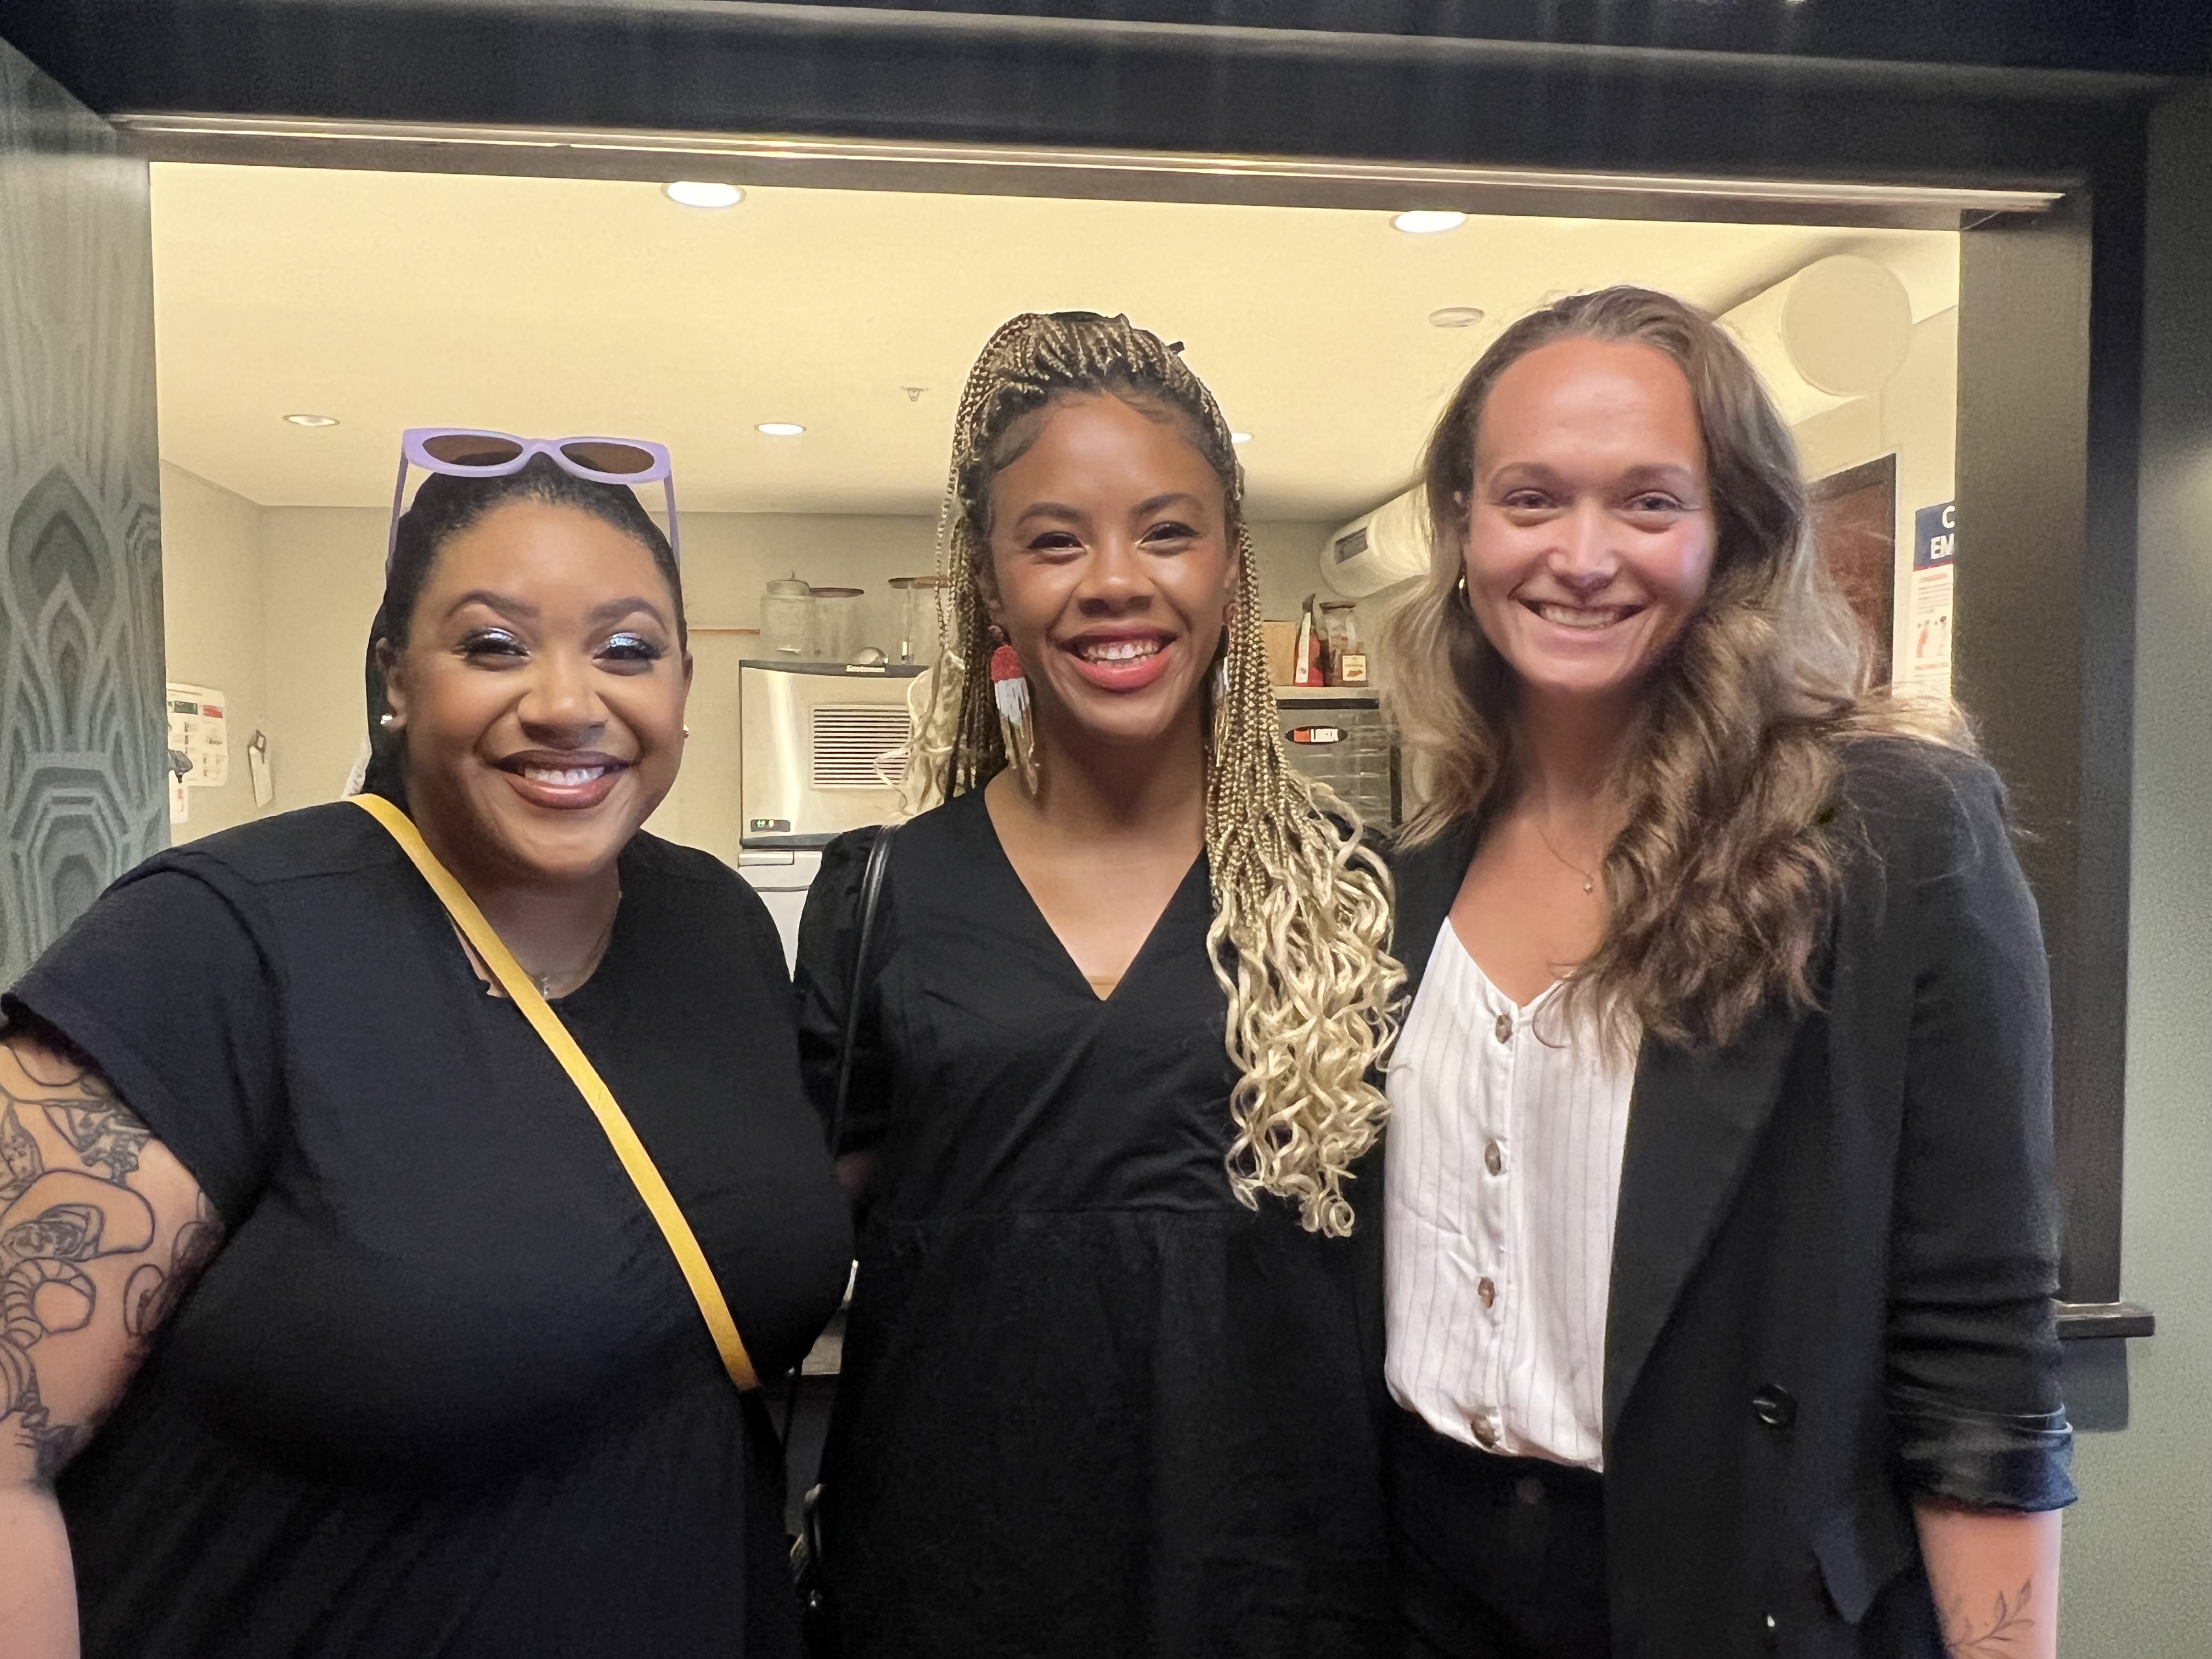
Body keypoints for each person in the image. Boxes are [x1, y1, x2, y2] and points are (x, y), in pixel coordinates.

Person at [0, 437, 851, 1658]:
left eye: (627, 649)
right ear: (396, 677)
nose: (567, 702)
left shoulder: (715, 929)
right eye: (494, 645)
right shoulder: (211, 945)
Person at [1379, 285, 2074, 1658]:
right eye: (1532, 499)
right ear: (1463, 528)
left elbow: (1980, 1341)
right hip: (1421, 1582)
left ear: (1734, 534)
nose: (1583, 555)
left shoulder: (1878, 826)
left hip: (1725, 1585)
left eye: (1647, 502)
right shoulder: (1417, 866)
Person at [794, 312, 1403, 1658]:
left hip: (1282, 1597)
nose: (1114, 581)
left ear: (1234, 567)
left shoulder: (1371, 897)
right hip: (946, 1593)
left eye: (1168, 531)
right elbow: (782, 1249)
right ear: (990, 580)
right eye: (1055, 538)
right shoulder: (883, 896)